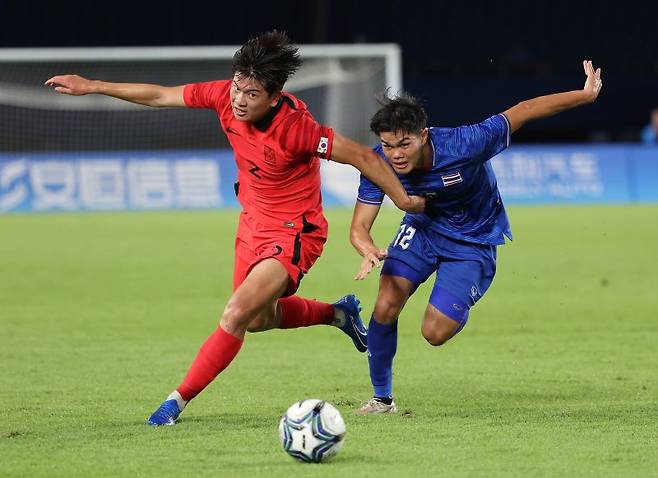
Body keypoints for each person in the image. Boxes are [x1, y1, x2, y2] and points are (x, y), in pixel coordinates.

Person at [45, 31, 425, 426]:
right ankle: (338, 314)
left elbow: (364, 155)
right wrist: (92, 86)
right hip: (252, 224)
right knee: (258, 319)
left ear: (274, 97)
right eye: (238, 89)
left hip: (295, 232)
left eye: (252, 94)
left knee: (236, 313)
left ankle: (175, 403)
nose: (240, 100)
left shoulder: (297, 129)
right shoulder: (222, 96)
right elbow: (160, 96)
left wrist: (404, 200)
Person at [350, 60, 603, 413]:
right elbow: (359, 227)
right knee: (386, 302)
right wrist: (367, 248)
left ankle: (458, 295)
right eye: (388, 145)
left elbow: (524, 109)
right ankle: (381, 398)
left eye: (404, 144)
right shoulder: (378, 163)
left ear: (423, 135)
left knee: (435, 332)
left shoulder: (466, 143)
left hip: (474, 240)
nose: (396, 154)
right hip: (422, 231)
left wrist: (585, 95)